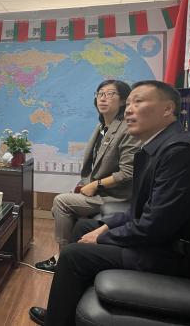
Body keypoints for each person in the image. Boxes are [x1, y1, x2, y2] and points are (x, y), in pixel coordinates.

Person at [29, 80, 190, 326]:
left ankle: (58, 321)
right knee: (85, 227)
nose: (129, 110)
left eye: (139, 102)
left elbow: (154, 227)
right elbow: (144, 208)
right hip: (165, 240)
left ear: (168, 109)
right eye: (129, 104)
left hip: (181, 254)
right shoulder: (161, 146)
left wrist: (103, 237)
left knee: (73, 255)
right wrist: (107, 226)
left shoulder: (179, 152)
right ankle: (65, 312)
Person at [35, 80, 140, 273]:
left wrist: (95, 185)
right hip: (100, 190)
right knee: (61, 206)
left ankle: (63, 257)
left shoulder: (126, 129)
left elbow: (128, 173)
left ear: (123, 100)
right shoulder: (102, 126)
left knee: (61, 202)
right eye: (100, 93)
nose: (103, 98)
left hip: (116, 195)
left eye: (110, 94)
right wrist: (86, 184)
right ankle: (70, 253)